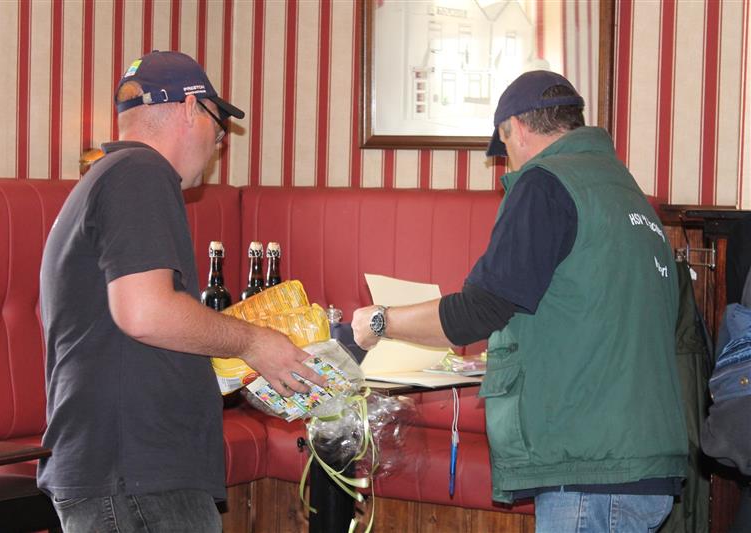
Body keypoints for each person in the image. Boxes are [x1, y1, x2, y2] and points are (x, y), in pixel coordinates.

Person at [351, 70, 688, 533]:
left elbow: (480, 309)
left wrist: (380, 322)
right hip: (644, 460)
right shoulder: (621, 188)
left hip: (591, 468)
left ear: (517, 128)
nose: (507, 162)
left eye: (504, 146)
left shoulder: (544, 183)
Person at [38, 50, 323, 533]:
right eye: (219, 127)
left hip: (124, 471)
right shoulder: (140, 172)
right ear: (191, 108)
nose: (217, 145)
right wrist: (254, 342)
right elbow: (145, 313)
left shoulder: (111, 175)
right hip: (136, 475)